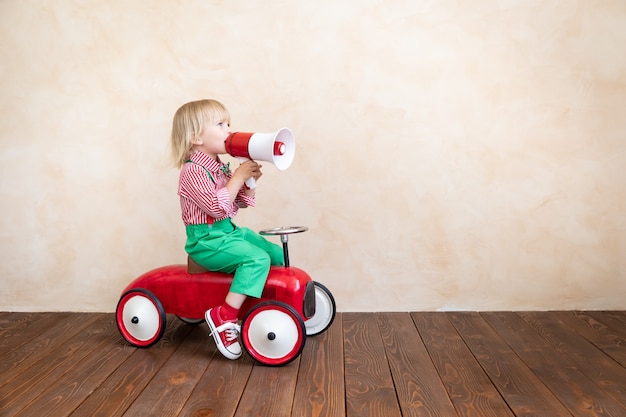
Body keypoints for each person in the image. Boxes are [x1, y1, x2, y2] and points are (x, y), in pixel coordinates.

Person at [170, 99, 285, 360]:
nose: (228, 130)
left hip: (228, 232)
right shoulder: (193, 171)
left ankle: (267, 311)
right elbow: (215, 207)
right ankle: (224, 315)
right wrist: (237, 178)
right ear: (195, 137)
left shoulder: (220, 167)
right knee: (256, 259)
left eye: (228, 124)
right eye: (220, 125)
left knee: (274, 254)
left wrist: (249, 181)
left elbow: (239, 203)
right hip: (206, 241)